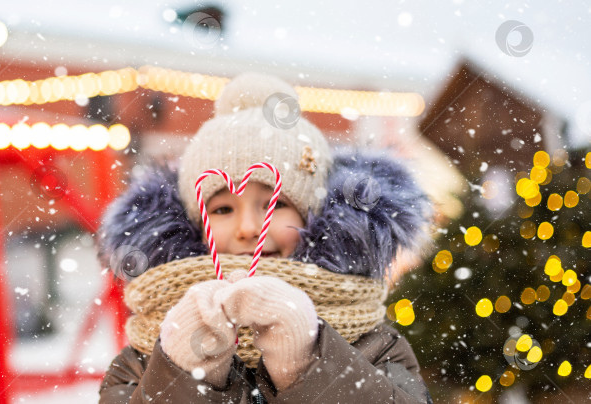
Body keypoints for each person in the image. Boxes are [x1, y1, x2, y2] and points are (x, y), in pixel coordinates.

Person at [96, 72, 434, 403]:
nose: (248, 228)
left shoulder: (372, 344)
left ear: (316, 218)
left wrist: (306, 363)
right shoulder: (145, 353)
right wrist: (183, 373)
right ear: (194, 224)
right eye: (223, 209)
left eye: (276, 204)